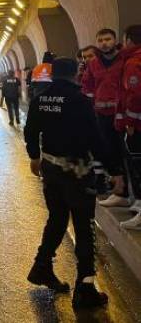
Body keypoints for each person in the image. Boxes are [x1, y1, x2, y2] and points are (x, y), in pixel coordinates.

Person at [24, 57, 124, 309]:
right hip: (76, 172)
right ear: (76, 74)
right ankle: (85, 287)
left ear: (53, 74)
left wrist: (34, 156)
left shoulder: (41, 99)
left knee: (57, 219)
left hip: (50, 169)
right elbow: (95, 138)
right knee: (83, 226)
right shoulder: (80, 101)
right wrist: (114, 170)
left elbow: (30, 129)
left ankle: (42, 266)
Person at [83, 29, 129, 208]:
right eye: (100, 40)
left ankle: (131, 193)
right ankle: (120, 192)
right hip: (102, 115)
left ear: (115, 40)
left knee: (128, 153)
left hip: (123, 114)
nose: (104, 43)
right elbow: (87, 85)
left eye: (108, 39)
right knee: (109, 151)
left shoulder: (124, 59)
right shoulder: (93, 64)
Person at [115, 25, 141, 229]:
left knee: (137, 164)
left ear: (130, 41)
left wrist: (130, 122)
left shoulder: (133, 62)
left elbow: (134, 95)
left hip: (137, 125)